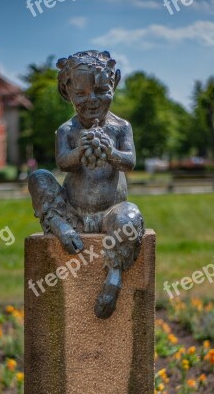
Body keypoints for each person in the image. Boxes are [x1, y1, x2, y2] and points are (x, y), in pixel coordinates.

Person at [28, 50, 144, 319]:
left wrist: (111, 153)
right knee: (38, 178)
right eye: (81, 94)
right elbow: (62, 163)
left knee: (131, 218)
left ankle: (114, 275)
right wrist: (81, 151)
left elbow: (130, 162)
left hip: (109, 215)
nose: (92, 101)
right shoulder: (67, 130)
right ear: (66, 92)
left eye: (101, 90)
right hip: (73, 212)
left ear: (114, 83)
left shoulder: (121, 128)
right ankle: (58, 225)